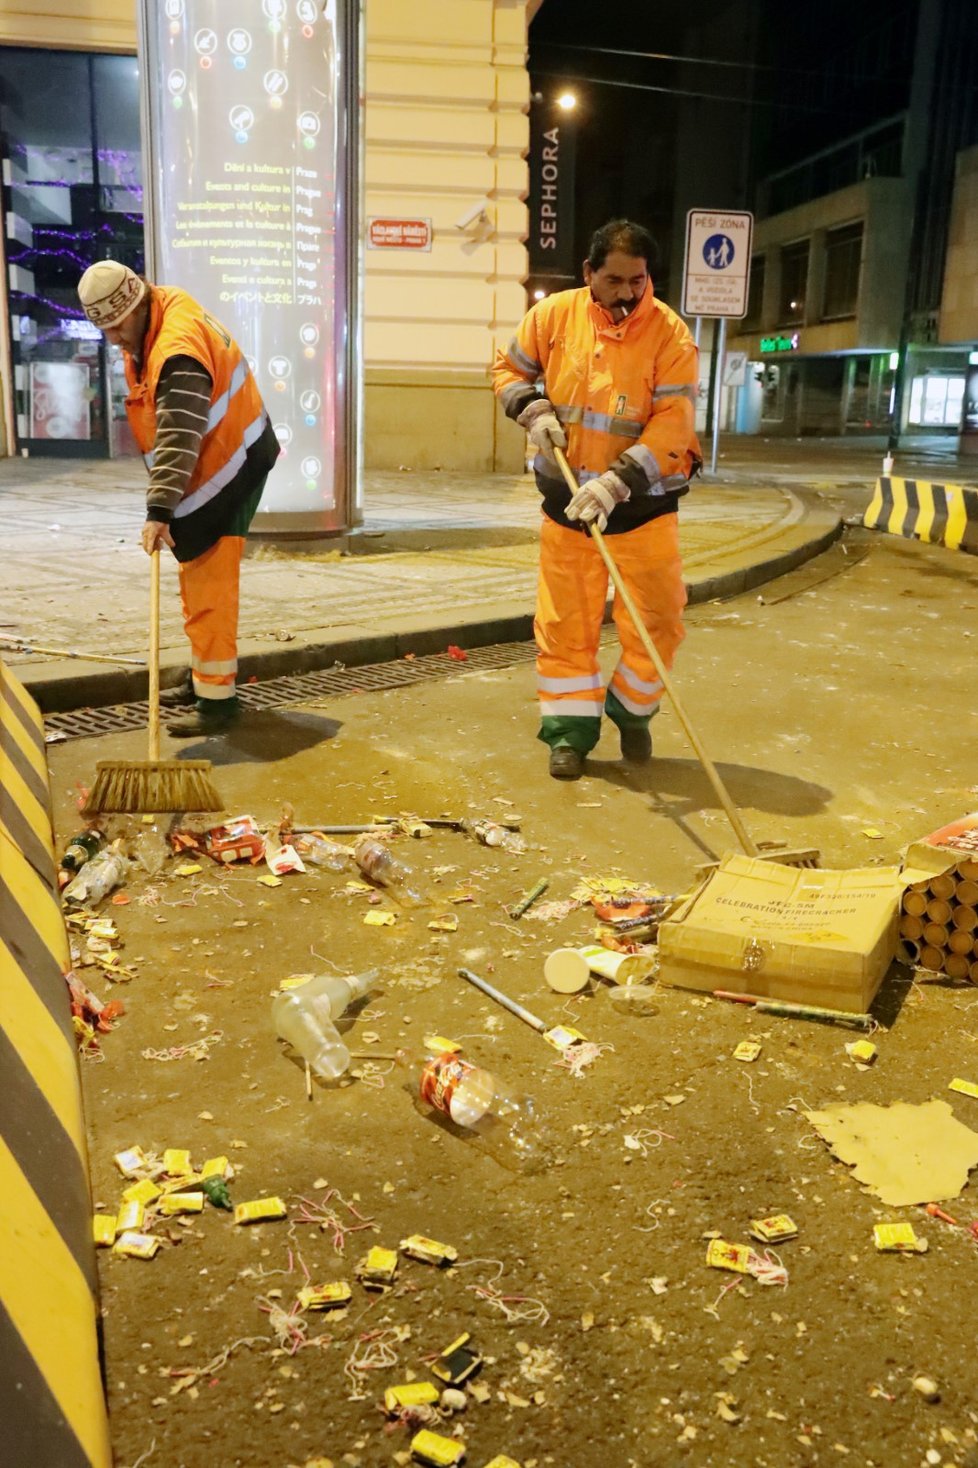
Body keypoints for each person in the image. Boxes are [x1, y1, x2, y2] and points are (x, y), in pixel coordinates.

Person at [491, 219, 701, 780]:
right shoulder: (553, 316)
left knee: (660, 621)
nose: (627, 293)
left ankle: (632, 711)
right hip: (566, 507)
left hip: (641, 509)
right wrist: (530, 409)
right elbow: (508, 368)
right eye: (614, 280)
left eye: (637, 280)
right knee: (566, 628)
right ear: (589, 273)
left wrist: (617, 481)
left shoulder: (671, 335)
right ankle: (569, 735)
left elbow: (674, 424)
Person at [76, 259, 280, 736]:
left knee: (210, 581)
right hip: (220, 457)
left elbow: (179, 438)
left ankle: (217, 703)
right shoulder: (159, 312)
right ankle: (204, 678)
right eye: (103, 329)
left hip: (231, 464)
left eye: (116, 326)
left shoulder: (176, 352)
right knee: (196, 573)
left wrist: (159, 512)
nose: (113, 339)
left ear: (137, 304)